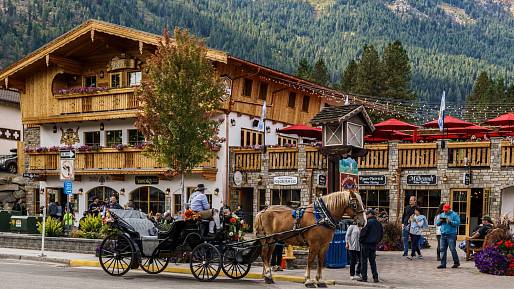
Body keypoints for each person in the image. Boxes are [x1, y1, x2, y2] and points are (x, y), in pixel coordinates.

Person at [357, 209, 383, 283]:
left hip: (365, 244)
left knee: (364, 261)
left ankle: (364, 277)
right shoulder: (378, 223)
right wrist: (377, 241)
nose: (366, 215)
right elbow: (381, 234)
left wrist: (361, 240)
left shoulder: (367, 222)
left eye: (367, 214)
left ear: (370, 214)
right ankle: (375, 278)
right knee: (372, 262)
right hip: (374, 244)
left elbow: (363, 233)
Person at [436, 203, 460, 269]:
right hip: (443, 234)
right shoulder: (442, 214)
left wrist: (450, 221)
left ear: (449, 209)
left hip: (451, 234)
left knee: (452, 249)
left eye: (446, 210)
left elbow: (457, 223)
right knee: (442, 249)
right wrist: (440, 221)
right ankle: (443, 264)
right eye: (444, 210)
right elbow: (437, 224)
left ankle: (456, 263)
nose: (445, 211)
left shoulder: (454, 215)